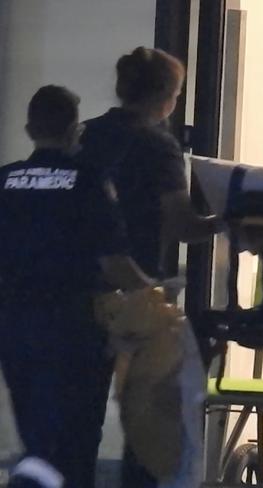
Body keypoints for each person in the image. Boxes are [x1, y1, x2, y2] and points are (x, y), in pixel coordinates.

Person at [79, 46, 220, 488]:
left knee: (79, 418)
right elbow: (181, 224)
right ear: (167, 97)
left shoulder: (84, 134)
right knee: (147, 424)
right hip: (136, 299)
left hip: (80, 291)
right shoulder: (159, 146)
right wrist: (227, 220)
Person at [0, 86, 152, 488]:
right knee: (76, 437)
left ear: (30, 127)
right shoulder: (87, 182)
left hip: (14, 326)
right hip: (74, 329)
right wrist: (153, 292)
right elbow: (113, 261)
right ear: (74, 131)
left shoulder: (5, 180)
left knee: (35, 431)